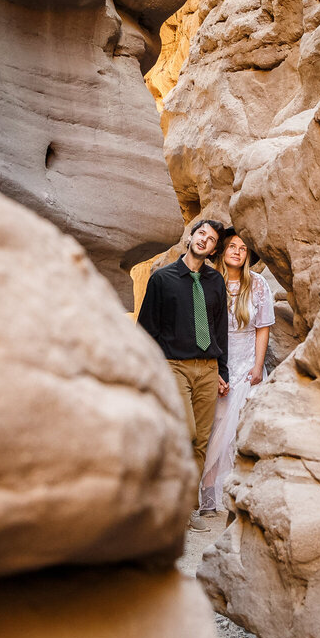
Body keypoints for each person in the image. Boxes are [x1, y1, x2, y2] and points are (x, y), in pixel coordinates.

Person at [136, 219, 230, 527]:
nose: (204, 239)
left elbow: (220, 330)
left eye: (212, 239)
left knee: (201, 440)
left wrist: (222, 370)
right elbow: (146, 330)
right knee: (185, 433)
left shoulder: (215, 282)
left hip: (208, 369)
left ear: (214, 249)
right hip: (173, 365)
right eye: (201, 233)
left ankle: (185, 506)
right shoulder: (162, 279)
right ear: (191, 237)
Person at [199, 228, 275, 516]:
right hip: (216, 362)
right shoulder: (209, 281)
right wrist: (215, 368)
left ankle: (237, 493)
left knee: (241, 428)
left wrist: (257, 366)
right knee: (215, 429)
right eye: (232, 245)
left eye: (243, 248)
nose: (237, 251)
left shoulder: (257, 285)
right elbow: (202, 328)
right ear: (222, 250)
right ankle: (208, 495)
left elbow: (263, 327)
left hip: (247, 366)